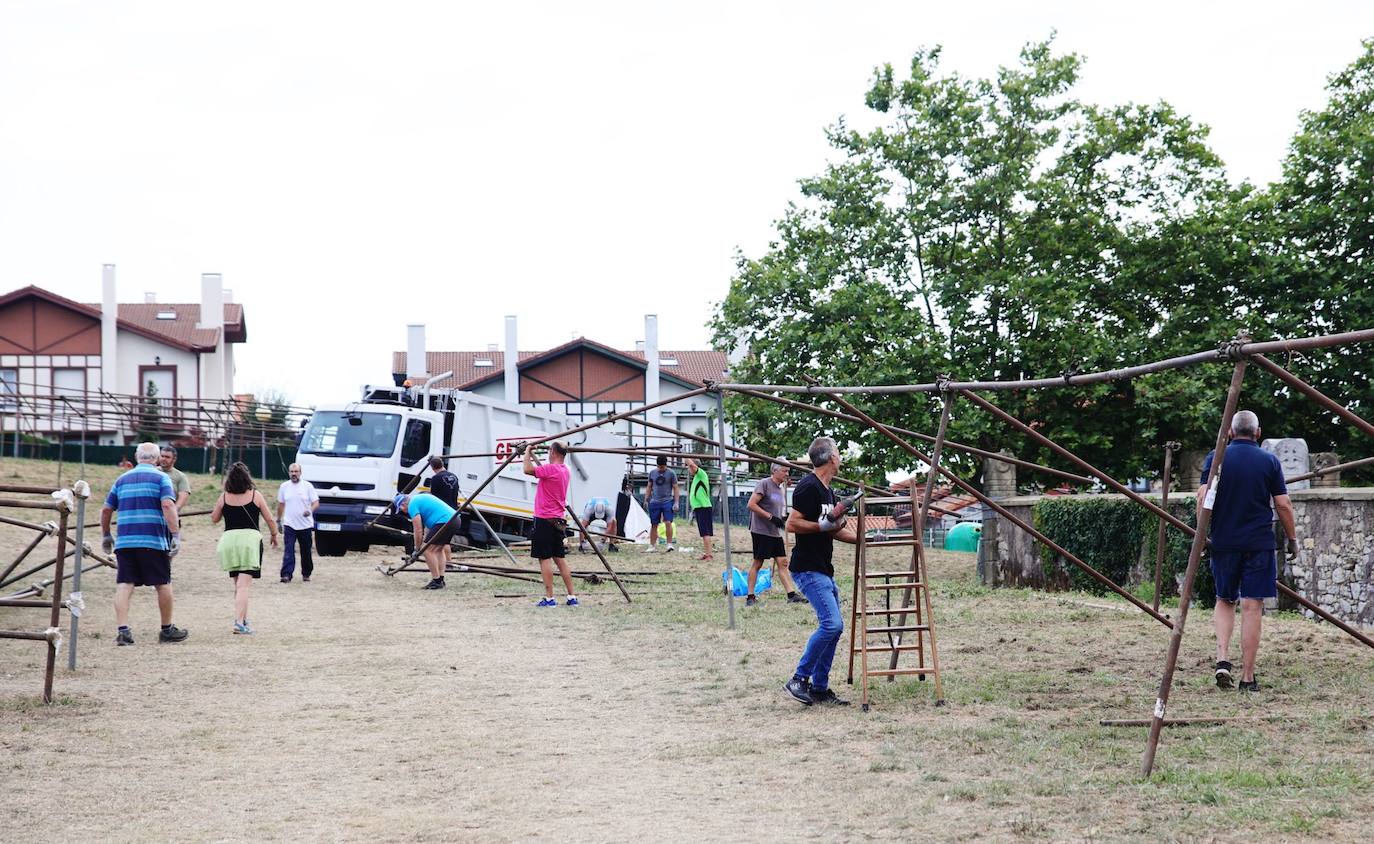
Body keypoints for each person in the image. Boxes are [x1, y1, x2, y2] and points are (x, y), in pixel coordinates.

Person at [1199, 410, 1297, 693]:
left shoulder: (1216, 458)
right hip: (1258, 543)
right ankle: (1248, 678)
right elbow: (1283, 504)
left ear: (1230, 432)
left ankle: (1222, 659)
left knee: (1224, 599)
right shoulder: (1269, 461)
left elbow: (1203, 498)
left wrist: (1204, 535)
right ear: (1258, 432)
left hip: (1224, 542)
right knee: (1252, 606)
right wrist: (1292, 538)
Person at [783, 436, 859, 707]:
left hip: (824, 568)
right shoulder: (808, 487)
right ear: (831, 459)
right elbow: (792, 524)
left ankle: (819, 687)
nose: (840, 457)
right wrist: (821, 528)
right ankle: (798, 679)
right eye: (838, 452)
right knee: (832, 624)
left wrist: (866, 538)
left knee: (834, 628)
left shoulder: (828, 492)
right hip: (807, 568)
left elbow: (836, 530)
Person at [100, 442, 188, 646]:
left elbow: (106, 510)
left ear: (137, 457)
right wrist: (175, 535)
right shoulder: (162, 478)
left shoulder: (121, 479)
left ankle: (123, 631)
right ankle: (166, 630)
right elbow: (168, 504)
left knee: (124, 584)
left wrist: (106, 534)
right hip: (153, 540)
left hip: (125, 541)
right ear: (157, 459)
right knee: (163, 583)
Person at [211, 462, 280, 635]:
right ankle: (239, 623)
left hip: (230, 541)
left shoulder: (224, 497)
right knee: (244, 586)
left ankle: (243, 619)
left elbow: (214, 518)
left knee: (239, 585)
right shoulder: (255, 496)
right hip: (249, 541)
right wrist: (274, 534)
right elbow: (270, 519)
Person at [522, 441, 578, 606]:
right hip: (558, 519)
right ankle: (572, 596)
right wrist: (531, 453)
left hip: (545, 519)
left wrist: (526, 451)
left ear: (553, 452)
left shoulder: (551, 469)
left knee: (544, 558)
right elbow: (539, 470)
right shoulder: (565, 470)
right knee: (559, 559)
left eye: (549, 451)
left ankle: (549, 598)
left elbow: (527, 469)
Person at [746, 462, 807, 606]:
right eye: (784, 471)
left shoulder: (781, 489)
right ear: (775, 471)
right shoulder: (764, 484)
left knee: (782, 562)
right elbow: (751, 505)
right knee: (758, 562)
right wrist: (770, 517)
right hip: (761, 530)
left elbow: (777, 508)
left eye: (788, 471)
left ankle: (791, 595)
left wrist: (781, 518)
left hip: (773, 531)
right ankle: (750, 597)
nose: (787, 474)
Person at [395, 492, 457, 590]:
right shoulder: (419, 500)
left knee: (426, 550)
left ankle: (436, 581)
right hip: (455, 519)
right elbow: (426, 530)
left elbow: (418, 529)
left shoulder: (412, 505)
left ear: (403, 504)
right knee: (438, 549)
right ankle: (440, 579)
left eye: (401, 509)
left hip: (444, 521)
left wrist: (417, 549)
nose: (403, 512)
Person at [276, 463, 320, 583]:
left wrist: (309, 510)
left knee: (306, 551)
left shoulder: (307, 486)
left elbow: (316, 502)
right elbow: (281, 504)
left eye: (296, 471)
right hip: (290, 524)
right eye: (292, 472)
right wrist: (278, 521)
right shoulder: (284, 487)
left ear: (300, 473)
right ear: (289, 473)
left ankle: (306, 573)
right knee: (288, 550)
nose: (294, 474)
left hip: (305, 525)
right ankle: (286, 574)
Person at [645, 455, 678, 551]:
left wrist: (676, 502)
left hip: (667, 501)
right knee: (654, 524)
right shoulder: (652, 473)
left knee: (668, 522)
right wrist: (647, 498)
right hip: (654, 501)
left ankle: (669, 544)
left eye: (662, 467)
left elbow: (676, 487)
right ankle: (652, 545)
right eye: (659, 467)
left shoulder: (671, 473)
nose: (661, 469)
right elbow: (649, 486)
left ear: (665, 465)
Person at [685, 456, 714, 561]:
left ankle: (709, 555)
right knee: (703, 532)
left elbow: (691, 464)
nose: (689, 469)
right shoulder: (697, 477)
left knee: (705, 532)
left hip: (703, 507)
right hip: (700, 507)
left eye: (689, 468)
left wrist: (684, 456)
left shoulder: (701, 474)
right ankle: (707, 553)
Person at [158, 446, 190, 511]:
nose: (163, 459)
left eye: (167, 457)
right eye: (162, 456)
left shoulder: (180, 476)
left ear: (174, 459)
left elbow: (183, 496)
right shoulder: (152, 471)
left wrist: (173, 511)